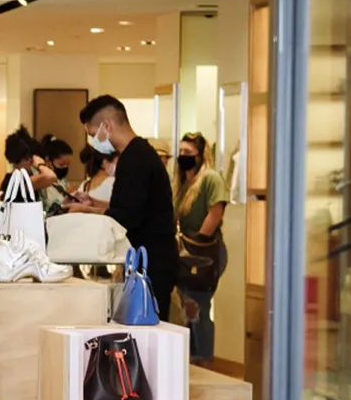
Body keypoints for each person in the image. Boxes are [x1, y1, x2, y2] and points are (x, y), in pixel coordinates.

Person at [71, 95, 178, 317]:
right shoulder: (138, 153)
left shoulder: (135, 158)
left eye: (93, 134)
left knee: (148, 324)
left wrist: (87, 211)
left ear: (107, 126)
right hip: (150, 257)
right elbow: (132, 204)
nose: (93, 141)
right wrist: (93, 202)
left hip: (152, 261)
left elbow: (127, 216)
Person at [175, 130, 230, 361]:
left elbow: (215, 214)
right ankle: (192, 360)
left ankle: (204, 360)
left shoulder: (210, 178)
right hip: (185, 252)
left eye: (188, 151)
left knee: (198, 307)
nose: (182, 155)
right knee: (188, 309)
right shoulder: (183, 184)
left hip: (203, 251)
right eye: (180, 151)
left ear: (200, 155)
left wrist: (197, 243)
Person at [37, 134, 76, 213]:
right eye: (61, 164)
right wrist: (64, 200)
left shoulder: (63, 181)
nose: (65, 167)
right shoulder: (41, 181)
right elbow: (47, 208)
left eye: (67, 164)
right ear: (48, 160)